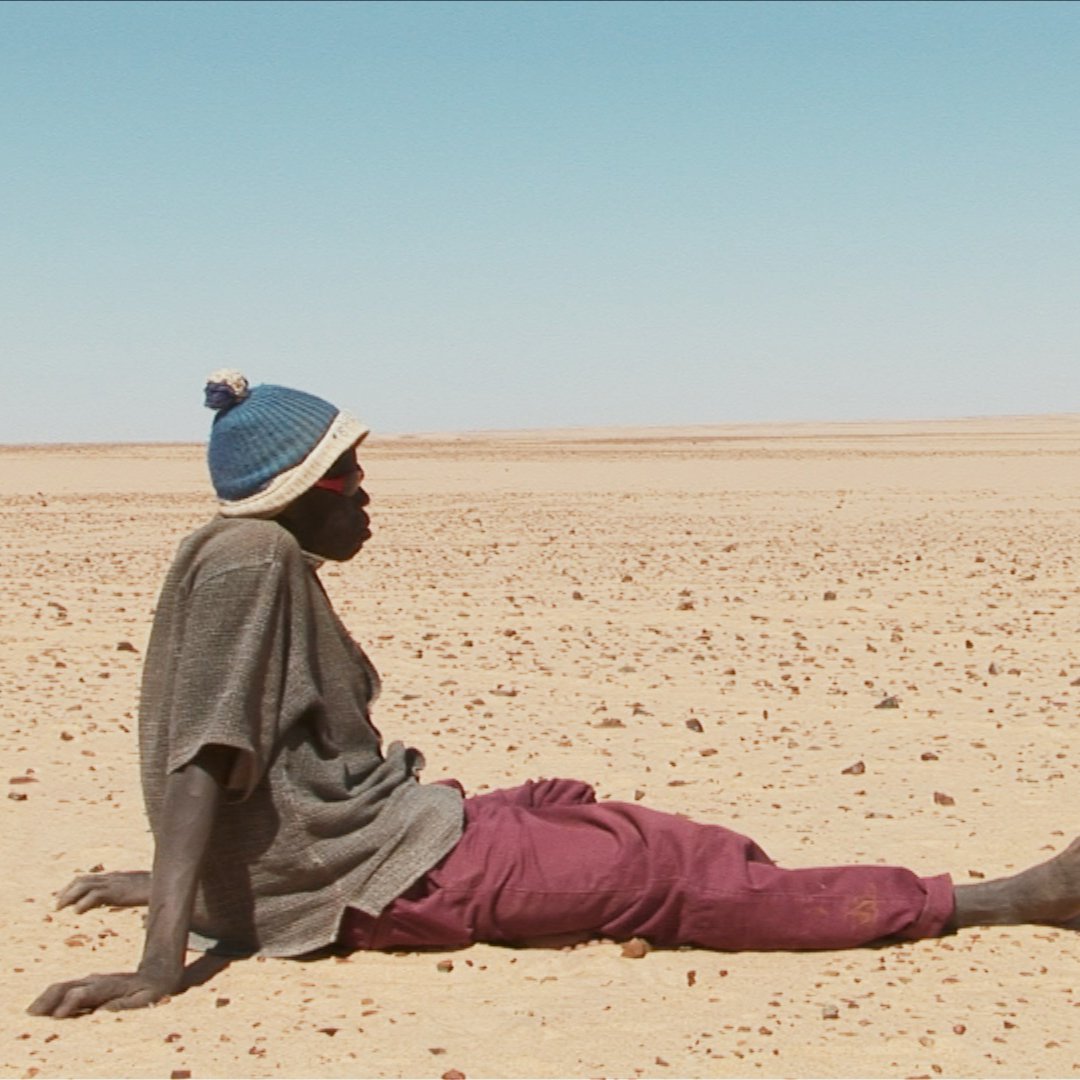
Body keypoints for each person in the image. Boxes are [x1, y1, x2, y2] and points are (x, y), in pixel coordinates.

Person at [29, 373, 1080, 1019]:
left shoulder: (231, 555)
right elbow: (207, 753)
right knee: (661, 871)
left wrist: (195, 883)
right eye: (349, 478)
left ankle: (748, 869)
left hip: (375, 840)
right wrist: (162, 959)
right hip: (380, 878)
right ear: (299, 494)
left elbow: (220, 752)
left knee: (579, 810)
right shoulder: (252, 562)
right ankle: (992, 900)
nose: (368, 496)